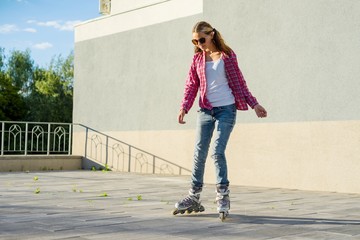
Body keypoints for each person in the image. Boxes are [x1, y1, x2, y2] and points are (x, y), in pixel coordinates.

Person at [173, 21, 267, 219]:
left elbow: (240, 83)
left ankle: (222, 195)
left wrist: (255, 104)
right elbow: (191, 85)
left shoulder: (227, 56)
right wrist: (184, 107)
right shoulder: (197, 59)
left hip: (226, 109)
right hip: (206, 110)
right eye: (195, 41)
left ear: (212, 34)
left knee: (217, 151)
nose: (199, 44)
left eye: (202, 39)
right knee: (199, 152)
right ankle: (194, 196)